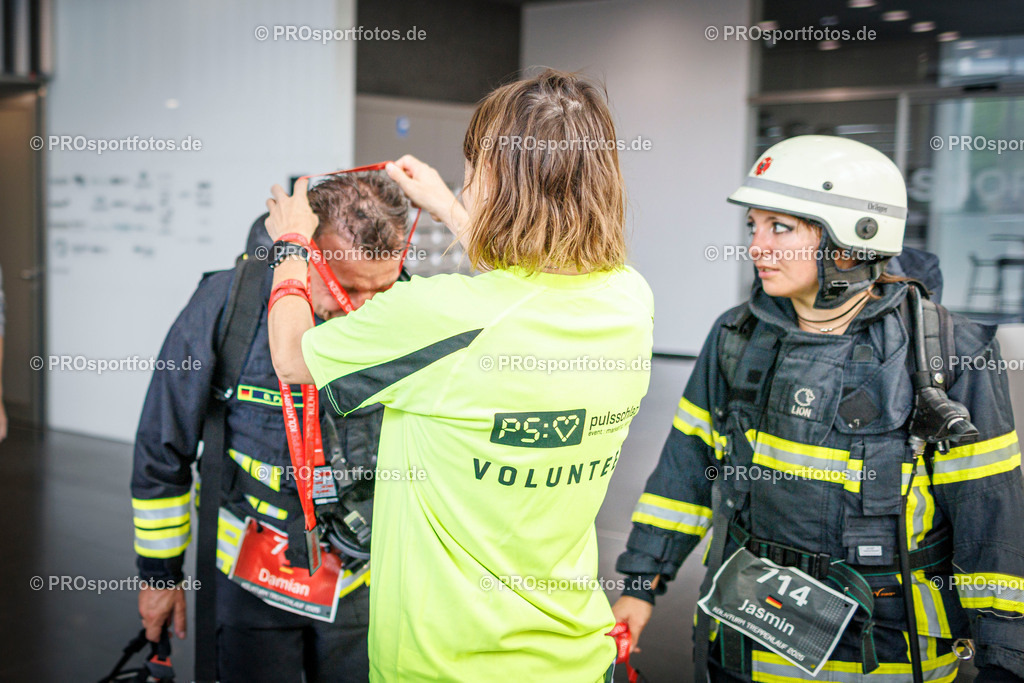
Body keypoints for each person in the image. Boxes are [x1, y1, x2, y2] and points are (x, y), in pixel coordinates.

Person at [265, 69, 654, 682]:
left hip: (446, 668)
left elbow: (291, 354)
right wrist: (446, 205)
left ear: (496, 182)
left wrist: (290, 243)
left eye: (472, 169)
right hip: (579, 657)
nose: (465, 181)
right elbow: (528, 278)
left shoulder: (435, 315)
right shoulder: (629, 300)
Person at [613, 135, 1024, 682]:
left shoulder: (951, 353)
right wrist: (640, 584)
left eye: (780, 227)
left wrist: (1004, 660)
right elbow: (684, 472)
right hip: (743, 651)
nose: (757, 246)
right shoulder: (737, 337)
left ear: (852, 239)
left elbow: (990, 518)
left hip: (887, 660)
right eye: (753, 226)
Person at [131, 172, 412, 682]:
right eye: (347, 287)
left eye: (383, 289)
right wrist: (159, 578)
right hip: (251, 581)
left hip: (365, 580)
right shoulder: (226, 305)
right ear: (302, 250)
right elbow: (162, 447)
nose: (362, 311)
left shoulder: (412, 315)